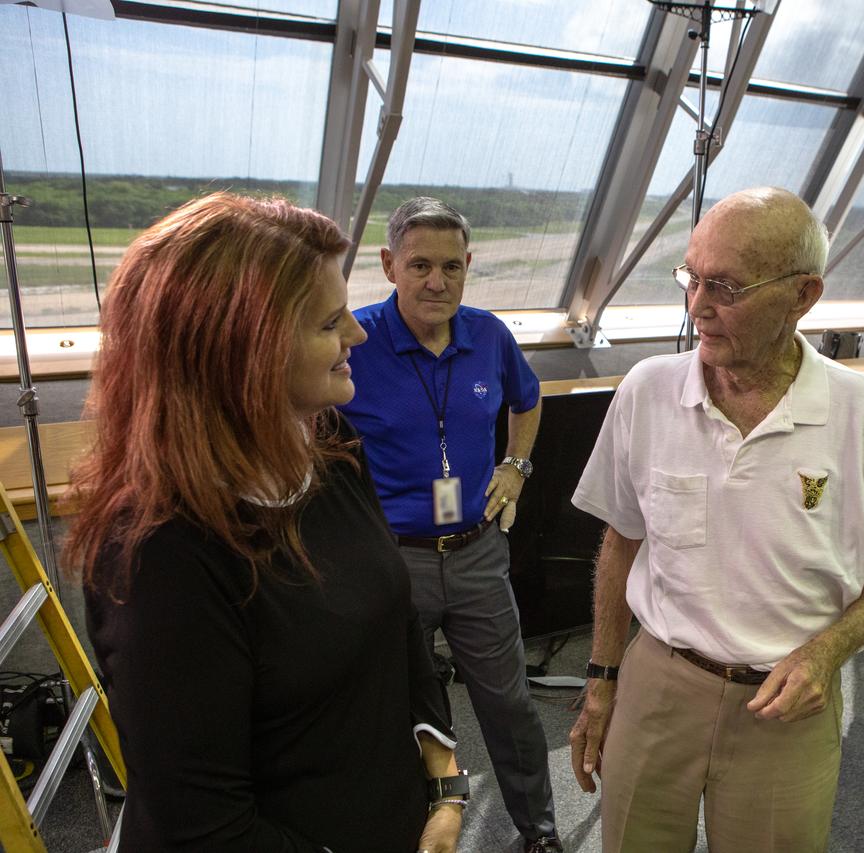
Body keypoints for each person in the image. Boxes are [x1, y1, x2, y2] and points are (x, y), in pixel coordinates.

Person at [67, 193, 465, 852]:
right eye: (328, 322)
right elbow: (203, 825)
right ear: (239, 352)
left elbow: (394, 620)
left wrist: (442, 779)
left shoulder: (328, 443)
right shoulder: (158, 552)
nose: (358, 335)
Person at [569, 187, 864, 852]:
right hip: (660, 681)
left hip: (787, 704)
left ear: (803, 295)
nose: (698, 307)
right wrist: (602, 676)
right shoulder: (647, 391)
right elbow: (622, 541)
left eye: (726, 286)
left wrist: (826, 653)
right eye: (692, 277)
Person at [337, 197, 560, 853]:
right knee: (394, 714)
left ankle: (539, 828)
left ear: (468, 267)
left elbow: (529, 397)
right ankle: (406, 833)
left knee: (510, 705)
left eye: (453, 267)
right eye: (421, 265)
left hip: (476, 552)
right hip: (388, 560)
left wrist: (516, 463)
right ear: (388, 265)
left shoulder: (488, 334)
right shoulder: (353, 338)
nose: (438, 282)